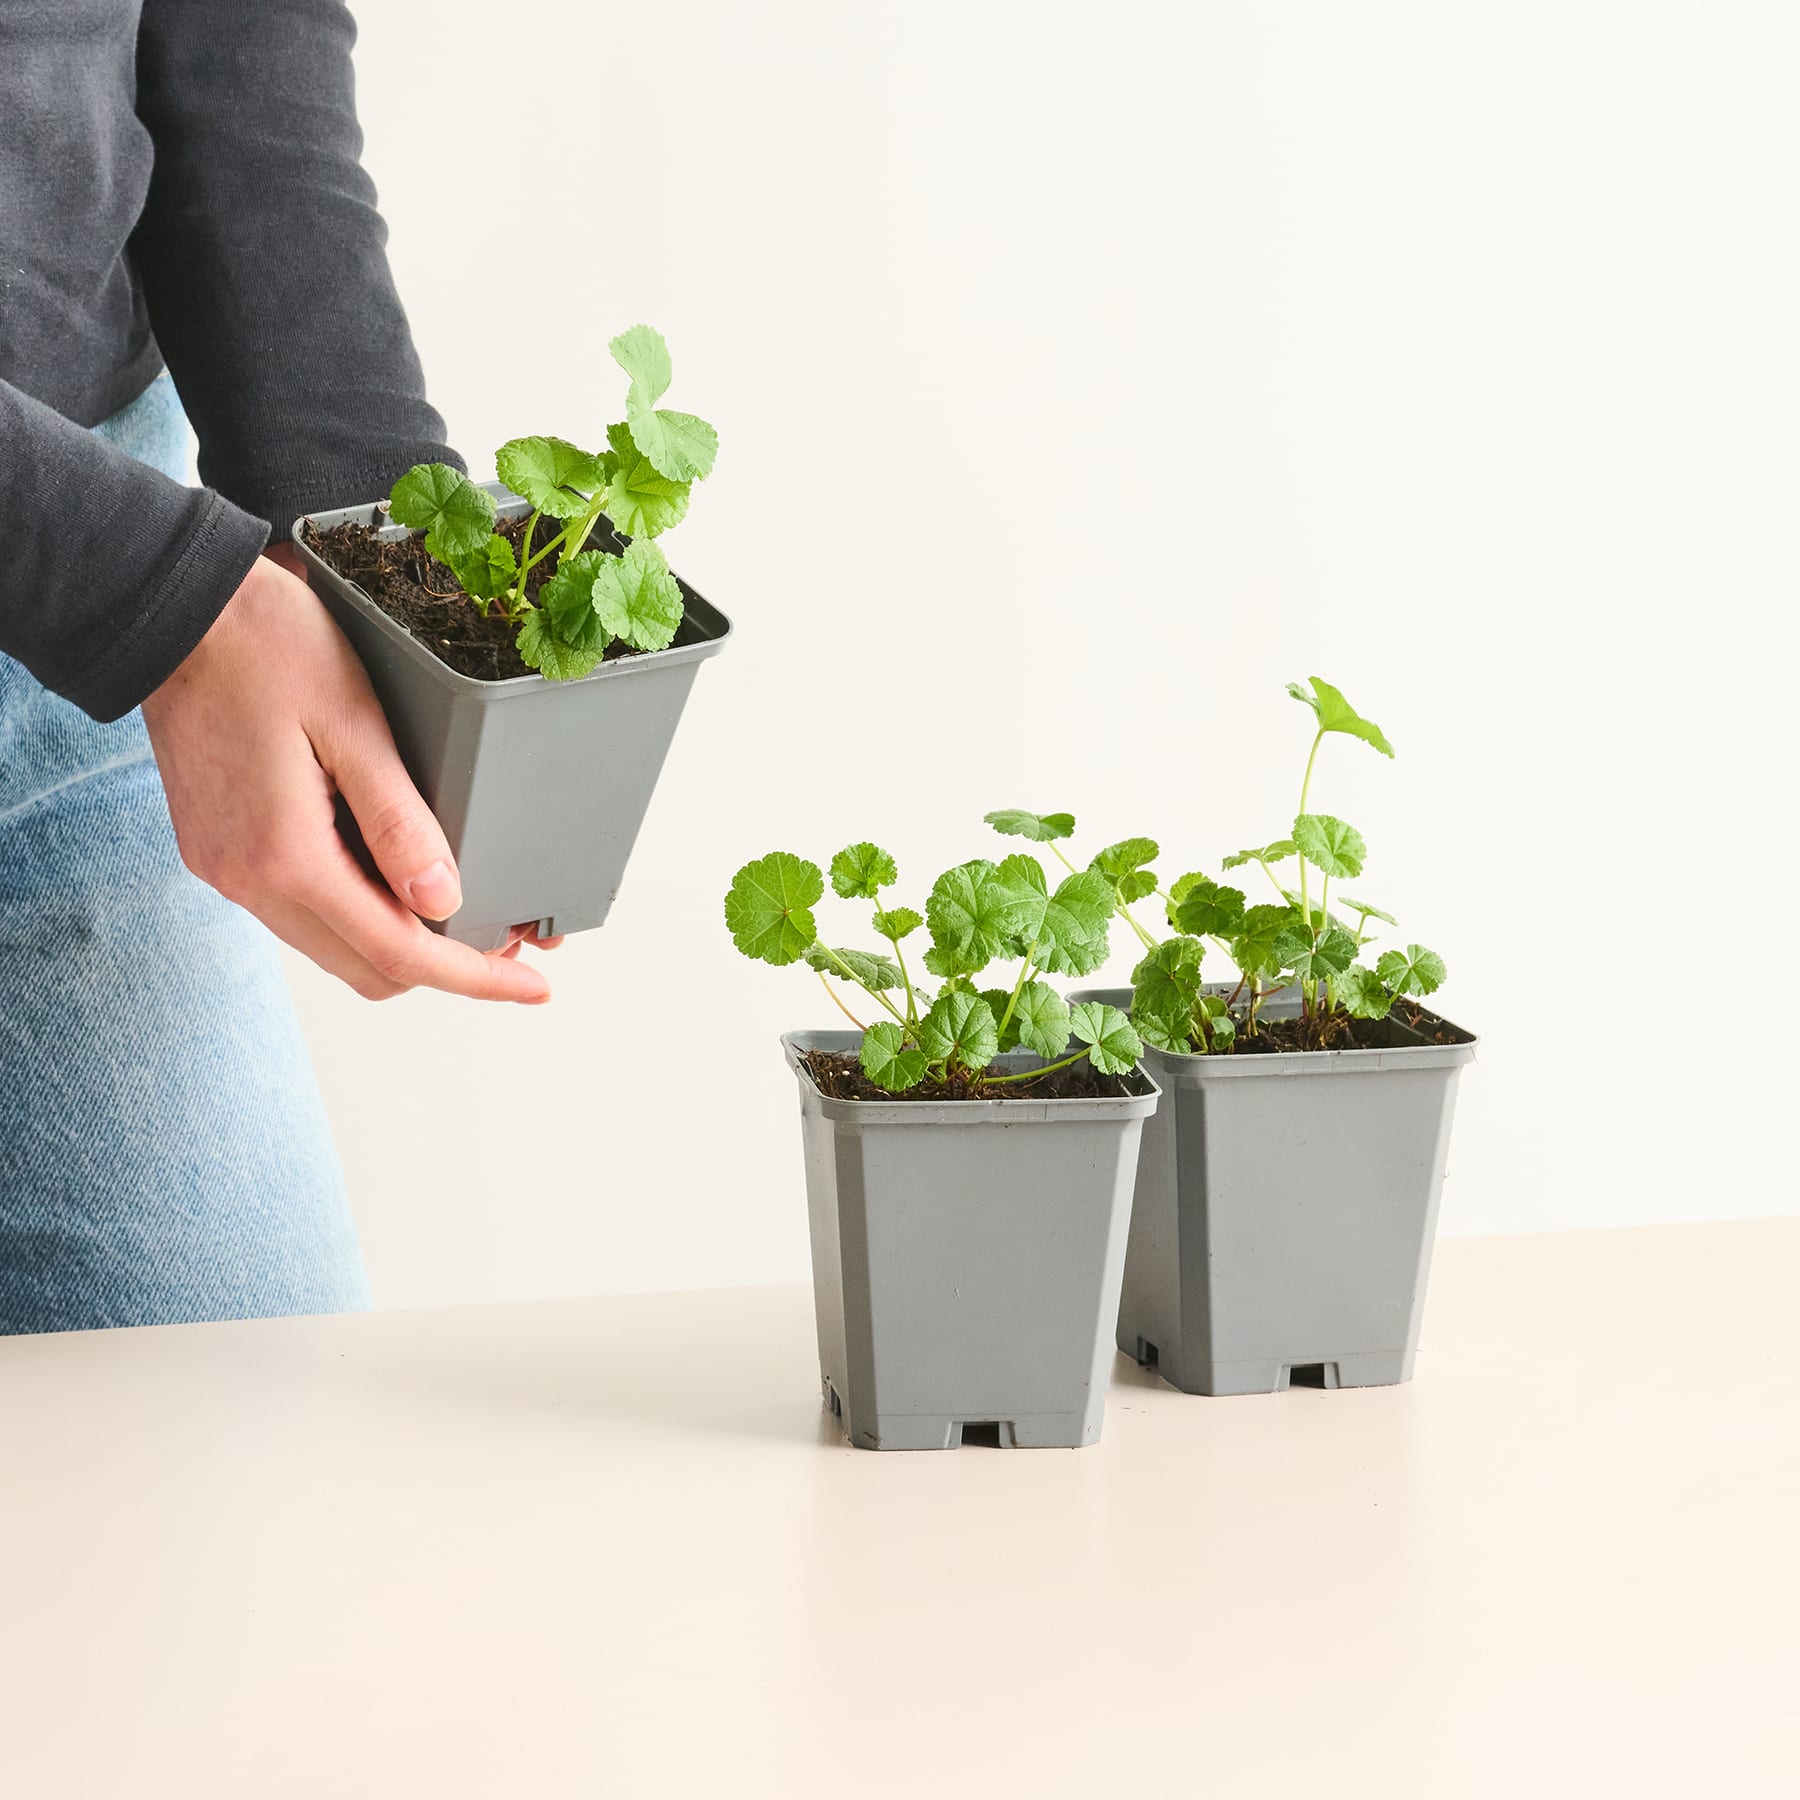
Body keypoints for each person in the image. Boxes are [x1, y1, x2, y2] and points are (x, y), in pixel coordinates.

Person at [0, 0, 551, 1336]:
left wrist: (366, 542)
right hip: (115, 589)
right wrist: (149, 596)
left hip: (86, 660)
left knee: (261, 1470)